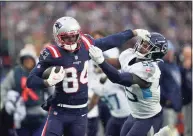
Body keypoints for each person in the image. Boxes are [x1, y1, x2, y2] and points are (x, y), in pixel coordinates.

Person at [26, 16, 150, 136]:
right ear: (57, 37)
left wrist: (132, 33)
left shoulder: (86, 45)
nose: (71, 41)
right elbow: (30, 81)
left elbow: (109, 41)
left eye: (74, 36)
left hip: (80, 113)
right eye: (67, 38)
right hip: (59, 111)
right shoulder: (52, 53)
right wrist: (47, 82)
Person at [89, 32, 168, 136]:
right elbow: (117, 63)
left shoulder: (149, 70)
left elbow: (118, 78)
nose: (140, 46)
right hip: (134, 114)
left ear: (156, 52)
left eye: (146, 46)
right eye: (142, 43)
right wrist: (94, 58)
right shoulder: (130, 55)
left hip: (149, 117)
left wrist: (101, 61)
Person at [1, 47, 48, 136]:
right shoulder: (15, 73)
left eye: (29, 59)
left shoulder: (41, 72)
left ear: (34, 59)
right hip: (21, 114)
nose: (28, 62)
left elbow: (51, 89)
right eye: (25, 59)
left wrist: (50, 104)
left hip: (39, 113)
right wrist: (6, 102)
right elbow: (4, 88)